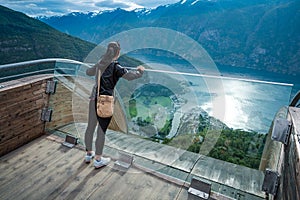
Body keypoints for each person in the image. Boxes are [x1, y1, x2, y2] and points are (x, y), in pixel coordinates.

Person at [84, 41, 144, 168]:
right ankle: (98, 160)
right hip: (106, 102)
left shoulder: (100, 63)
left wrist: (94, 67)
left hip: (93, 99)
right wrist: (140, 71)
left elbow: (88, 72)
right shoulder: (116, 66)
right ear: (117, 53)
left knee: (90, 127)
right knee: (101, 130)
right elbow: (130, 76)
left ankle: (89, 154)